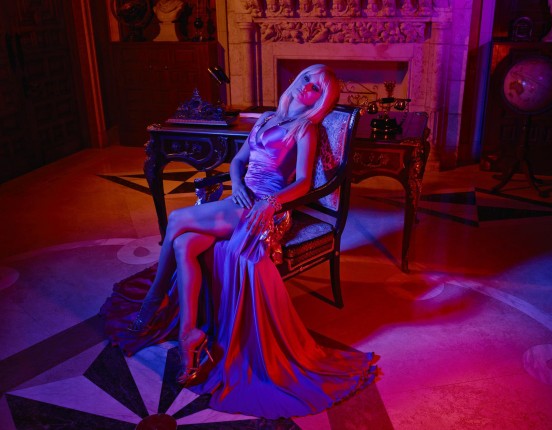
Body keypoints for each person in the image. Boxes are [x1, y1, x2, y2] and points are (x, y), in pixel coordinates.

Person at [101, 64, 379, 419]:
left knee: (178, 219)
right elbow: (238, 162)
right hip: (242, 199)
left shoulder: (305, 129)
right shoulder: (267, 119)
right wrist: (238, 185)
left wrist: (270, 202)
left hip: (266, 208)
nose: (305, 86)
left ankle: (153, 300)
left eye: (315, 87)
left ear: (320, 99)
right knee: (184, 244)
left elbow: (304, 183)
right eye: (306, 78)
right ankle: (189, 333)